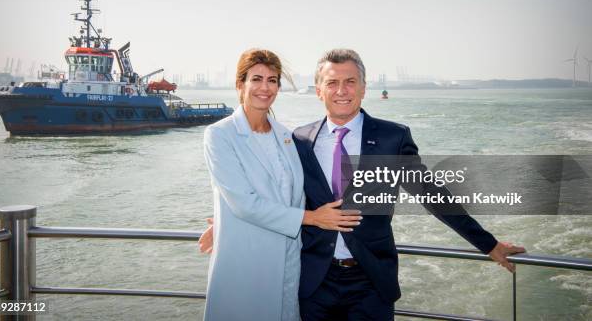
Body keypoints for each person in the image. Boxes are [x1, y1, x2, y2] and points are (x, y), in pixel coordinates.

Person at [200, 48, 526, 321]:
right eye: (332, 83)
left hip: (371, 283)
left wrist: (489, 244)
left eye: (350, 82)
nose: (341, 90)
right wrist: (229, 222)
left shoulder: (392, 138)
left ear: (363, 87)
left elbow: (433, 195)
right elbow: (279, 191)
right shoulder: (298, 140)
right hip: (313, 283)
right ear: (318, 90)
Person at [202, 49, 361, 321]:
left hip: (289, 258)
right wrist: (312, 218)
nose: (265, 88)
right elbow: (244, 203)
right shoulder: (219, 135)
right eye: (257, 79)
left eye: (273, 80)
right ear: (240, 84)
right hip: (248, 258)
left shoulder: (288, 137)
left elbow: (296, 192)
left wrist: (221, 221)